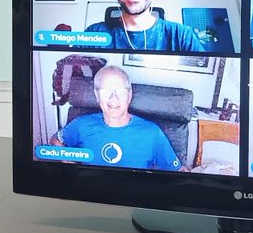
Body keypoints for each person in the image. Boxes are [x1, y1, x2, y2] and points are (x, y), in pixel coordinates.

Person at [49, 65, 182, 171]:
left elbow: (176, 171)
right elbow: (55, 139)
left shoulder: (152, 132)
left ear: (129, 95)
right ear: (97, 95)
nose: (114, 98)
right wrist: (68, 161)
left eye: (120, 92)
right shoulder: (81, 124)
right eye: (106, 91)